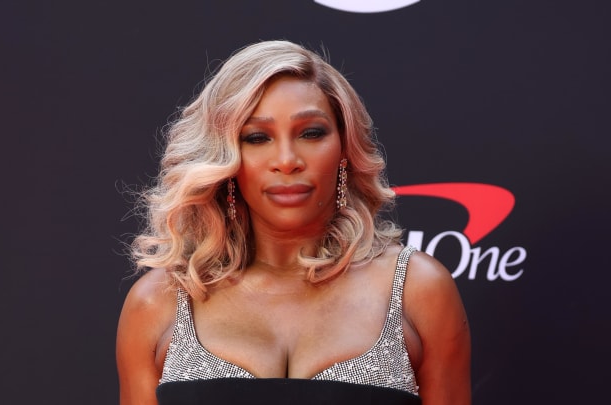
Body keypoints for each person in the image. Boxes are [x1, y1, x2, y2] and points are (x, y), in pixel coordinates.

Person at [116, 40, 471, 405]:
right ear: (225, 158)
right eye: (257, 138)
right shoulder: (158, 302)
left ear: (345, 148)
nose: (286, 161)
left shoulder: (418, 290)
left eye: (311, 133)